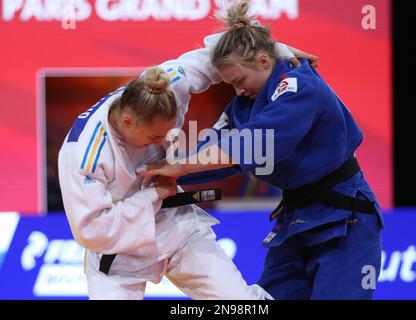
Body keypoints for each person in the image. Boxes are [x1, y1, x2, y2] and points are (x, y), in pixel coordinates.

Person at [141, 0, 384, 300]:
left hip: (345, 216)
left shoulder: (299, 86)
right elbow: (214, 150)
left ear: (263, 61)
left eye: (240, 81)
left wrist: (182, 167)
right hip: (296, 220)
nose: (238, 90)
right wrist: (166, 177)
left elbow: (258, 143)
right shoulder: (243, 104)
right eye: (230, 85)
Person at [58, 28, 316, 299]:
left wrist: (276, 52)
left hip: (176, 227)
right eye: (154, 137)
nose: (160, 143)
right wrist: (152, 195)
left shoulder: (163, 85)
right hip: (117, 253)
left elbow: (215, 54)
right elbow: (91, 231)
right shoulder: (83, 154)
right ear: (127, 122)